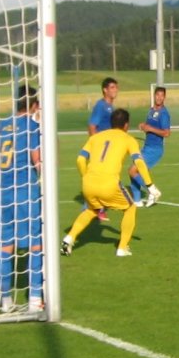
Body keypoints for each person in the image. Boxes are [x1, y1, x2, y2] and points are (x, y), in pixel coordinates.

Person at [61, 109, 153, 257]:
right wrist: (149, 185)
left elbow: (80, 159)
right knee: (130, 208)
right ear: (126, 125)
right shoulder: (128, 139)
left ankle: (69, 237)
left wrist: (85, 177)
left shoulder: (96, 137)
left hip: (88, 183)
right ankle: (122, 248)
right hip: (109, 184)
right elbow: (139, 161)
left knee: (92, 210)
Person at [0, 86, 43, 313]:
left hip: (4, 193)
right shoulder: (32, 126)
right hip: (25, 193)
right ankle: (35, 298)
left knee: (5, 247)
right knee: (35, 245)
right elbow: (36, 159)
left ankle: (5, 298)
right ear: (34, 105)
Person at [87, 77, 118, 221]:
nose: (115, 90)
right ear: (105, 90)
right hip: (101, 151)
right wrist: (97, 146)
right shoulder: (101, 106)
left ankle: (99, 209)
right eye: (112, 87)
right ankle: (96, 210)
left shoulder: (110, 106)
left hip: (108, 149)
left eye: (116, 87)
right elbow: (92, 127)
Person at [130, 86, 167, 206]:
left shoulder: (164, 114)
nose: (159, 98)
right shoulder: (151, 111)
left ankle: (152, 191)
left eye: (162, 95)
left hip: (155, 149)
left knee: (132, 170)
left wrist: (150, 128)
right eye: (158, 95)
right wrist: (143, 126)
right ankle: (137, 201)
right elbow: (149, 127)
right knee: (138, 173)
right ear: (154, 96)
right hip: (147, 147)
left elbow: (166, 133)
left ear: (164, 98)